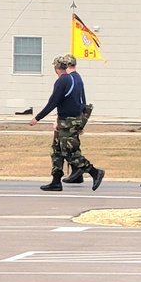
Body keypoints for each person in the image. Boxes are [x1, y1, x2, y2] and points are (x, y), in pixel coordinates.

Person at [29, 56, 104, 192]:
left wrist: (37, 118)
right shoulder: (72, 78)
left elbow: (53, 102)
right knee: (56, 150)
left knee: (69, 152)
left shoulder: (63, 81)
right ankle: (56, 181)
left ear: (56, 68)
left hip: (68, 122)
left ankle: (94, 172)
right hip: (66, 120)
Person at [59, 53, 94, 184]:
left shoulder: (71, 79)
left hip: (73, 116)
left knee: (68, 146)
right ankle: (76, 174)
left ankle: (80, 169)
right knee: (73, 143)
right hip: (80, 114)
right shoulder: (77, 77)